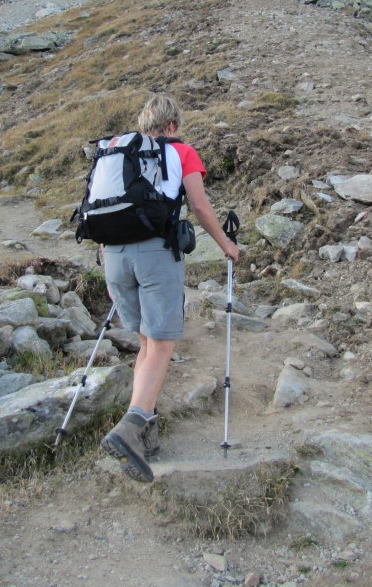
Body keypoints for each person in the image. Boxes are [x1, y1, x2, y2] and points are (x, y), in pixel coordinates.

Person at [100, 94, 241, 483]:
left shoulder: (120, 152)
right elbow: (199, 206)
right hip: (156, 256)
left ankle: (145, 434)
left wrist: (109, 265)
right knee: (162, 344)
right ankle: (130, 428)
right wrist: (226, 245)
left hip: (114, 256)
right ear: (172, 125)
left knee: (147, 343)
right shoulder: (182, 151)